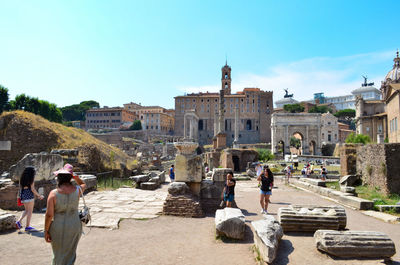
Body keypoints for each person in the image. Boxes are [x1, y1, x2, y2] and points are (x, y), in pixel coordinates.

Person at [44, 164, 86, 265]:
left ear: (58, 178)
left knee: (58, 254)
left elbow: (49, 215)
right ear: (70, 177)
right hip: (75, 224)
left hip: (58, 226)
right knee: (71, 253)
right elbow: (83, 184)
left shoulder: (53, 193)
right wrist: (75, 177)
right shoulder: (77, 190)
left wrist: (46, 230)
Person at [16, 167, 45, 231]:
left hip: (23, 195)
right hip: (29, 195)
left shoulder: (21, 178)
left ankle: (19, 221)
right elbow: (33, 189)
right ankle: (27, 226)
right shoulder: (31, 179)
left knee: (26, 210)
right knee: (30, 211)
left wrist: (19, 196)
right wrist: (39, 195)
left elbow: (20, 187)